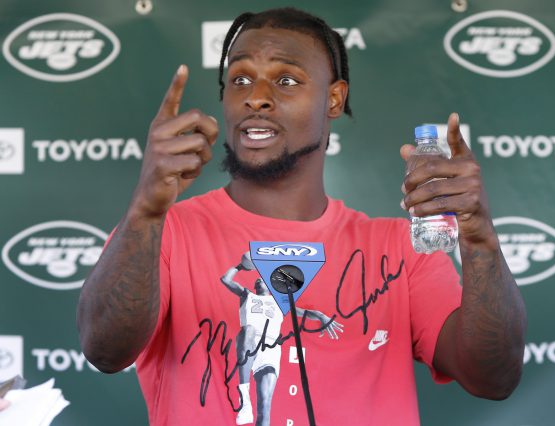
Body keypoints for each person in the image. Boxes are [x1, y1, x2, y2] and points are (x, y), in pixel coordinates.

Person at [77, 6, 527, 426]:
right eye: (240, 79)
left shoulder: (400, 249)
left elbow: (493, 377)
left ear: (334, 99)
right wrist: (145, 212)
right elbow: (105, 351)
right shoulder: (162, 231)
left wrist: (480, 242)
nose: (256, 98)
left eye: (286, 80)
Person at [221, 251, 342, 424]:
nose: (259, 279)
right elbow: (225, 279)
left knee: (265, 406)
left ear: (271, 286)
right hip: (249, 344)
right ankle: (244, 399)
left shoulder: (280, 302)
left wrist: (321, 316)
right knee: (248, 330)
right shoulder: (247, 295)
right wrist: (241, 266)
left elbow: (306, 313)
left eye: (262, 279)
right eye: (257, 280)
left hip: (270, 350)